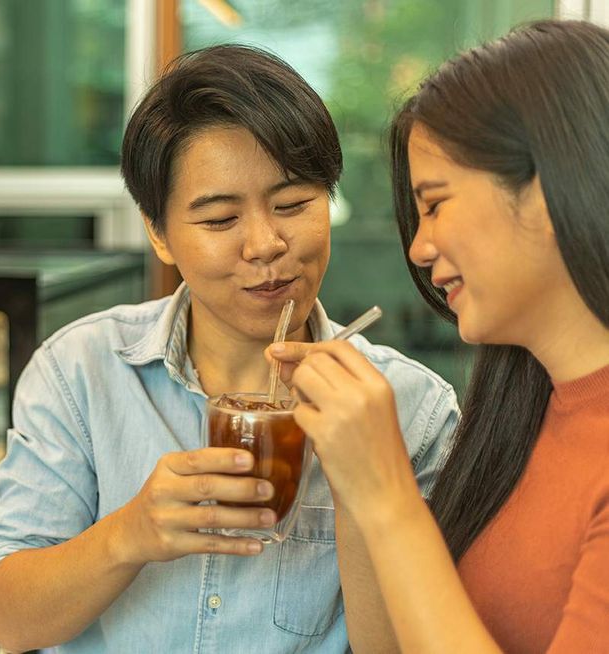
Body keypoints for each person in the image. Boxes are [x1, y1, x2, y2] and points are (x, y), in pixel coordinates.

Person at [0, 44, 458, 653]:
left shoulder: (414, 409)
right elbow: (9, 623)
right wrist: (129, 534)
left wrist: (366, 485)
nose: (265, 244)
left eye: (292, 205)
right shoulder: (81, 372)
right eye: (220, 220)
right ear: (159, 232)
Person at [267, 19, 609, 653]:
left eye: (437, 203)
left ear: (546, 189)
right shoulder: (522, 403)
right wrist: (357, 482)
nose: (419, 249)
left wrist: (388, 489)